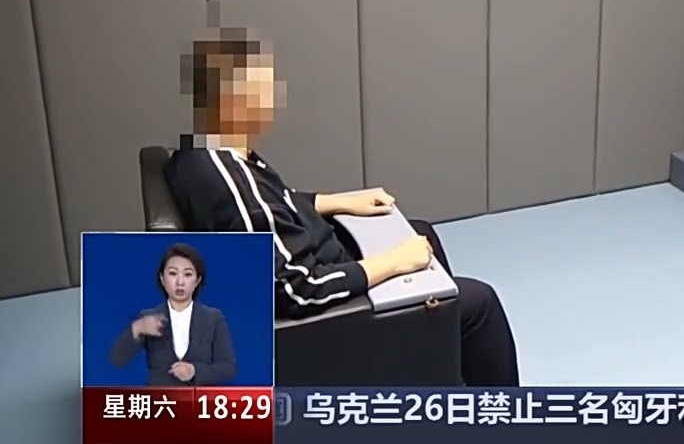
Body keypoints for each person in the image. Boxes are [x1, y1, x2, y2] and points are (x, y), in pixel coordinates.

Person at [163, 28, 519, 386]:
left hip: (319, 262)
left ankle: (438, 363)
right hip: (326, 321)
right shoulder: (232, 184)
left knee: (421, 232)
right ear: (234, 100)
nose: (274, 97)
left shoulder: (199, 153)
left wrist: (340, 202)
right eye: (266, 87)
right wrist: (395, 262)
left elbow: (274, 203)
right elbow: (299, 290)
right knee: (479, 304)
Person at [109, 243, 238, 386]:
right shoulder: (149, 318)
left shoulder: (213, 318)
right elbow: (117, 360)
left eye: (187, 274)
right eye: (172, 273)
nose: (180, 282)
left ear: (197, 280)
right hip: (161, 398)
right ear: (162, 279)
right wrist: (137, 328)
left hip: (199, 399)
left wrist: (194, 371)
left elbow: (228, 368)